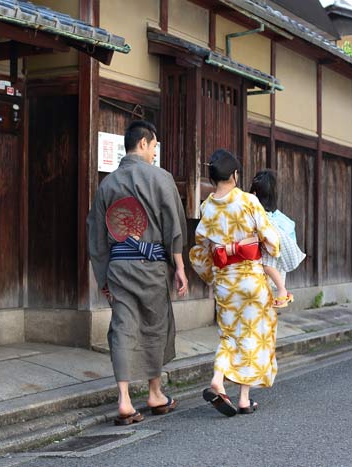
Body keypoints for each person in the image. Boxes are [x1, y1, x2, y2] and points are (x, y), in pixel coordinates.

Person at [86, 120, 188, 426]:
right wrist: (180, 267)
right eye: (155, 145)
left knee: (122, 327)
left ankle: (125, 400)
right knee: (154, 325)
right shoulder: (160, 178)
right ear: (143, 144)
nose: (155, 152)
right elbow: (174, 226)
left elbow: (96, 237)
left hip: (118, 267)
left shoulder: (108, 184)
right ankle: (155, 393)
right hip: (152, 266)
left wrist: (103, 278)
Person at [189, 149, 280, 417]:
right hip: (251, 278)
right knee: (254, 334)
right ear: (236, 175)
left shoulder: (207, 207)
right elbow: (272, 241)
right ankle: (243, 398)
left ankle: (218, 379)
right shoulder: (248, 201)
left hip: (225, 281)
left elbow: (200, 249)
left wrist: (210, 275)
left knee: (229, 335)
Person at [249, 170, 306, 308]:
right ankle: (281, 290)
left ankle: (282, 290)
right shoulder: (281, 219)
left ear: (254, 194)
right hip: (279, 269)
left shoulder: (261, 217)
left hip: (263, 269)